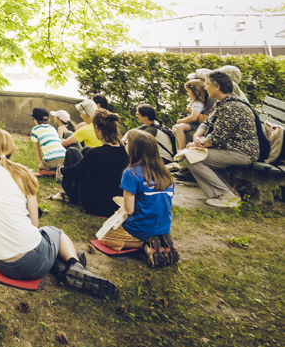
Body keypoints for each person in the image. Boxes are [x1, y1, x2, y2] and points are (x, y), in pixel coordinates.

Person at [0, 129, 119, 299]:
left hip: (2, 264)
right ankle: (75, 264)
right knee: (55, 233)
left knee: (42, 243)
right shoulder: (24, 175)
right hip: (32, 264)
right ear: (12, 150)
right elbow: (34, 225)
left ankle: (63, 269)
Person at [178, 69, 259, 208]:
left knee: (191, 157)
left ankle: (225, 195)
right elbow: (206, 123)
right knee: (191, 155)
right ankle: (223, 193)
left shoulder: (231, 107)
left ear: (218, 87)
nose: (204, 87)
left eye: (207, 84)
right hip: (230, 149)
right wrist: (197, 136)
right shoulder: (222, 103)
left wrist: (196, 145)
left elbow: (217, 139)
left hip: (242, 152)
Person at [102, 131, 179, 268]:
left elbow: (130, 210)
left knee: (107, 238)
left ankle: (145, 243)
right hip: (164, 225)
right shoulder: (166, 174)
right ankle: (160, 239)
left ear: (133, 148)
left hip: (141, 226)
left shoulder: (131, 173)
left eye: (126, 143)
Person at [52, 109, 129, 215]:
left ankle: (68, 195)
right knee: (87, 149)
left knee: (71, 152)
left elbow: (76, 170)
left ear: (97, 129)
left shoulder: (98, 153)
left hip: (97, 206)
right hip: (116, 203)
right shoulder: (123, 149)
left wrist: (61, 170)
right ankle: (67, 193)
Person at [172, 82, 206, 151]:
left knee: (179, 127)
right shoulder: (196, 102)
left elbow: (193, 117)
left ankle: (181, 150)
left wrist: (179, 121)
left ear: (195, 92)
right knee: (179, 127)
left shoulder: (197, 104)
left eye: (188, 91)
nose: (187, 94)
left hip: (198, 125)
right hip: (197, 124)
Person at [29, 107, 65, 171]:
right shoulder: (52, 128)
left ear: (35, 120)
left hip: (52, 160)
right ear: (48, 119)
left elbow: (38, 150)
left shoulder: (35, 129)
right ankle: (61, 170)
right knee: (56, 165)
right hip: (65, 157)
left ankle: (56, 172)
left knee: (41, 170)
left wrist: (40, 165)